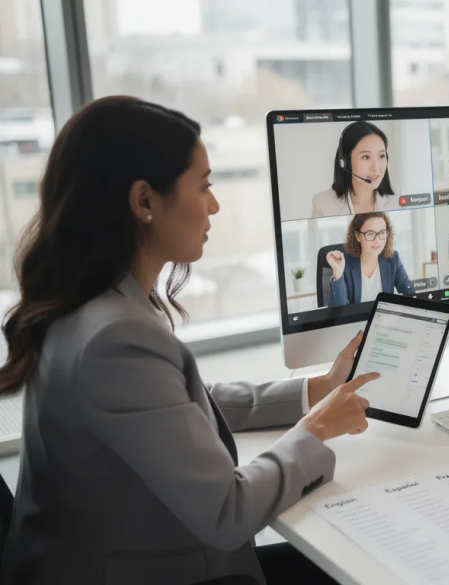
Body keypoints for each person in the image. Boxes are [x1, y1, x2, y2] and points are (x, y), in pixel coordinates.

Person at [0, 96, 380, 585]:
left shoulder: (89, 303)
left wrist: (313, 391)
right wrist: (316, 430)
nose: (215, 204)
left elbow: (176, 405)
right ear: (144, 202)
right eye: (203, 186)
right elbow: (229, 511)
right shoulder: (113, 338)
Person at [324, 212, 416, 307]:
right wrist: (338, 274)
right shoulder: (344, 264)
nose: (377, 240)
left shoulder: (392, 259)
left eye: (382, 233)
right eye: (370, 233)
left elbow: (410, 293)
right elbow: (338, 309)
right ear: (358, 236)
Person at [312, 121, 400, 217]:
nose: (376, 167)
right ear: (345, 162)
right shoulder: (322, 204)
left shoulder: (400, 197)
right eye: (366, 157)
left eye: (381, 156)